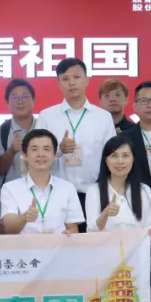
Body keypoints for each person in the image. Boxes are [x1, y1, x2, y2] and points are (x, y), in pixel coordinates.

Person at [35, 58, 114, 228]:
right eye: (65, 79)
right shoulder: (47, 116)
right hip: (56, 195)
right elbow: (35, 156)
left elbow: (111, 157)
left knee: (92, 241)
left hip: (94, 194)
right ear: (59, 84)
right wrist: (58, 150)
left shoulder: (103, 118)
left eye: (76, 77)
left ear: (87, 80)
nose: (71, 83)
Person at [0, 129, 85, 235]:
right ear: (25, 155)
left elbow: (73, 229)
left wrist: (68, 234)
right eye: (34, 149)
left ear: (55, 156)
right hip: (25, 245)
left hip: (57, 245)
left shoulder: (68, 188)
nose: (41, 154)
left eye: (46, 149)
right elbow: (9, 229)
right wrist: (24, 218)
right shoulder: (10, 188)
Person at [84, 135, 151, 237]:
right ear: (105, 160)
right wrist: (105, 214)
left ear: (133, 159)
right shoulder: (94, 191)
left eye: (125, 155)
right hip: (106, 247)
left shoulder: (144, 190)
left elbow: (148, 228)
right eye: (114, 156)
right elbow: (91, 233)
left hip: (136, 247)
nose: (120, 161)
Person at [0, 79, 38, 193]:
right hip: (10, 195)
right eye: (14, 97)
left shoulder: (44, 128)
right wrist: (11, 151)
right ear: (7, 102)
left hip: (42, 193)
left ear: (33, 100)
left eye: (25, 96)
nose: (20, 101)